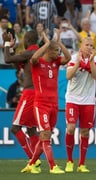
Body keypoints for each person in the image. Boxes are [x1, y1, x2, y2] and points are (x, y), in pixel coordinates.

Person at [21, 30, 71, 174]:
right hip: (41, 105)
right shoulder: (38, 63)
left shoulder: (56, 62)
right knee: (45, 135)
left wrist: (59, 41)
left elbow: (67, 57)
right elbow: (34, 57)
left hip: (54, 105)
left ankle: (31, 164)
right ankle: (52, 166)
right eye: (56, 51)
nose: (58, 53)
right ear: (48, 51)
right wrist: (47, 43)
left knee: (45, 137)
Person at [3, 30, 40, 171]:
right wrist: (12, 49)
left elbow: (7, 59)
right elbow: (16, 63)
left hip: (29, 93)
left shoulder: (29, 53)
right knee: (31, 129)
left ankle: (33, 160)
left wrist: (7, 43)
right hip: (39, 93)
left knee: (15, 128)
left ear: (28, 39)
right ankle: (39, 160)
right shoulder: (38, 53)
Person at [64, 36, 96, 173]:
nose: (89, 48)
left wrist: (90, 61)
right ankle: (69, 161)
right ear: (81, 46)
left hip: (88, 101)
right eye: (87, 45)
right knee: (71, 128)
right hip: (73, 99)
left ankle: (81, 164)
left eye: (92, 46)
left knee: (85, 131)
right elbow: (68, 76)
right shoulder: (74, 58)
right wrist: (79, 63)